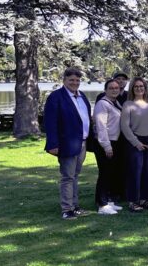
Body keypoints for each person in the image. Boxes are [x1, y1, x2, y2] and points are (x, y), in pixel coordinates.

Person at [44, 67, 92, 220]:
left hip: (82, 143)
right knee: (67, 177)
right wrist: (52, 144)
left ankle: (75, 206)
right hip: (67, 143)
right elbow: (50, 122)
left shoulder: (82, 96)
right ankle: (67, 209)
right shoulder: (56, 97)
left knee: (75, 176)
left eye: (77, 80)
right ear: (64, 80)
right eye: (71, 80)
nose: (74, 83)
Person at [121, 77, 148, 212]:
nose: (139, 88)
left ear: (145, 88)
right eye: (136, 86)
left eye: (141, 86)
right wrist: (136, 142)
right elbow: (124, 126)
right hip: (135, 141)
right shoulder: (128, 104)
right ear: (132, 88)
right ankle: (133, 201)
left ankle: (145, 199)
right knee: (135, 172)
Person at [92, 79, 124, 215]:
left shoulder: (115, 103)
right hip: (105, 143)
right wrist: (106, 146)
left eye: (116, 88)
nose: (114, 90)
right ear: (105, 90)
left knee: (111, 173)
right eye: (111, 88)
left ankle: (108, 201)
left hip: (115, 142)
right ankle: (102, 204)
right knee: (104, 173)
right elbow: (101, 126)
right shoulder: (102, 104)